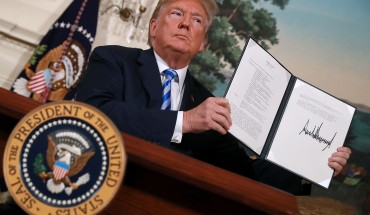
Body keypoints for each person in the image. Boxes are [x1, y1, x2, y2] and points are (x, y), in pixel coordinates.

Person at [76, 0, 351, 195]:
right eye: (176, 14)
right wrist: (184, 121)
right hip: (103, 187)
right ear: (153, 26)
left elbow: (245, 174)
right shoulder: (113, 59)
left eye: (196, 20)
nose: (185, 23)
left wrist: (313, 162)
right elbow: (94, 113)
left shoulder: (207, 103)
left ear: (202, 43)